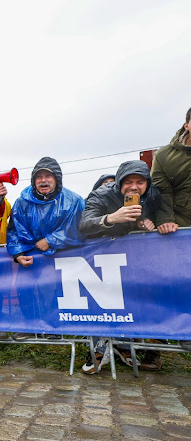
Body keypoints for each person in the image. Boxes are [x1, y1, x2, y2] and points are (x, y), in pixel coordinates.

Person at [78, 160, 162, 372]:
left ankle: (124, 347)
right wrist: (111, 218)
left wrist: (145, 223)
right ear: (119, 183)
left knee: (129, 302)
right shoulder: (101, 195)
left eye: (140, 182)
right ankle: (97, 349)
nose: (134, 187)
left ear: (147, 183)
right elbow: (84, 225)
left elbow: (158, 215)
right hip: (102, 255)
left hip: (133, 257)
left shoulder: (153, 194)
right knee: (100, 302)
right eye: (128, 182)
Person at [7, 157, 85, 340]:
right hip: (31, 254)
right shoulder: (22, 202)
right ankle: (30, 325)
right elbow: (13, 231)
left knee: (52, 288)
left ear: (57, 178)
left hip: (63, 254)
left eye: (48, 176)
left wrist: (51, 240)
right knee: (23, 287)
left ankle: (54, 326)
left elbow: (79, 228)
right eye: (39, 177)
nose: (43, 180)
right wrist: (18, 253)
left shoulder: (73, 201)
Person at [151, 106, 191, 236]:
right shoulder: (164, 156)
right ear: (186, 125)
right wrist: (165, 220)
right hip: (182, 228)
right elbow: (161, 191)